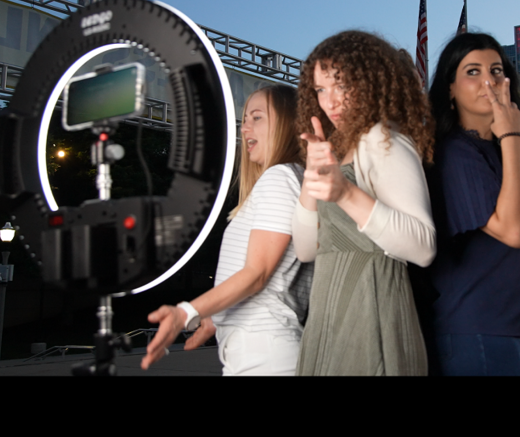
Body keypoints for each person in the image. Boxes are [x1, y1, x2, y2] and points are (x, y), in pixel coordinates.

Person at [141, 84, 313, 375]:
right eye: (244, 120)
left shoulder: (279, 178)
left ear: (287, 124)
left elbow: (258, 274)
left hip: (264, 351)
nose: (245, 129)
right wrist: (216, 316)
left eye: (257, 118)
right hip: (257, 349)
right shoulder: (290, 178)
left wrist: (186, 312)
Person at [425, 32, 520, 376]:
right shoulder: (456, 153)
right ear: (450, 88)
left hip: (519, 333)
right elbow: (516, 233)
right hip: (475, 332)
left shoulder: (509, 154)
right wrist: (512, 134)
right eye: (472, 72)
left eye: (497, 70)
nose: (488, 81)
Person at [292, 30, 436, 375]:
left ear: (370, 81)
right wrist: (313, 179)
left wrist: (345, 193)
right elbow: (306, 251)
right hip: (328, 314)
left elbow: (423, 246)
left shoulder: (383, 139)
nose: (330, 102)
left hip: (372, 314)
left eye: (342, 85)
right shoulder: (339, 148)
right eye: (321, 89)